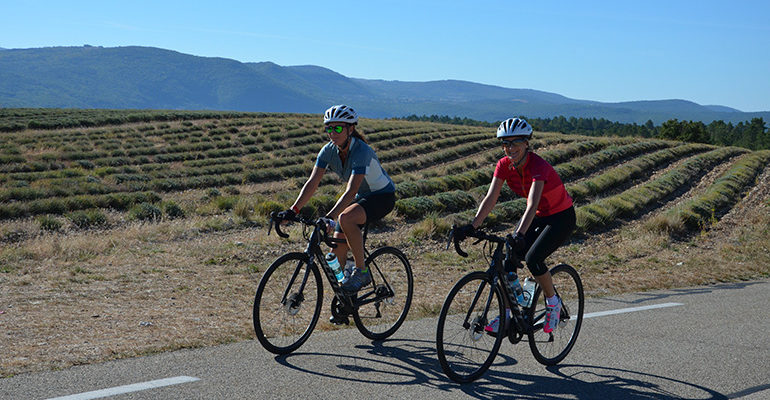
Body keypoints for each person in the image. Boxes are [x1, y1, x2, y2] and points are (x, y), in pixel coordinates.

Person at [455, 117, 576, 334]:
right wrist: (473, 226)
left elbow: (532, 204)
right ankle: (508, 315)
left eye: (516, 142)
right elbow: (491, 198)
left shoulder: (538, 166)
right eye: (506, 143)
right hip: (539, 215)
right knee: (507, 261)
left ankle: (553, 303)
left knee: (533, 258)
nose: (510, 148)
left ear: (526, 143)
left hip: (560, 217)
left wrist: (519, 234)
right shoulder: (504, 165)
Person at [278, 105, 396, 294]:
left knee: (346, 218)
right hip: (361, 197)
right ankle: (346, 296)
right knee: (335, 255)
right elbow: (312, 183)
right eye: (329, 128)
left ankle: (362, 271)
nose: (333, 133)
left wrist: (329, 217)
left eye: (338, 128)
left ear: (351, 129)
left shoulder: (361, 151)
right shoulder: (328, 151)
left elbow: (351, 190)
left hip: (382, 196)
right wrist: (293, 210)